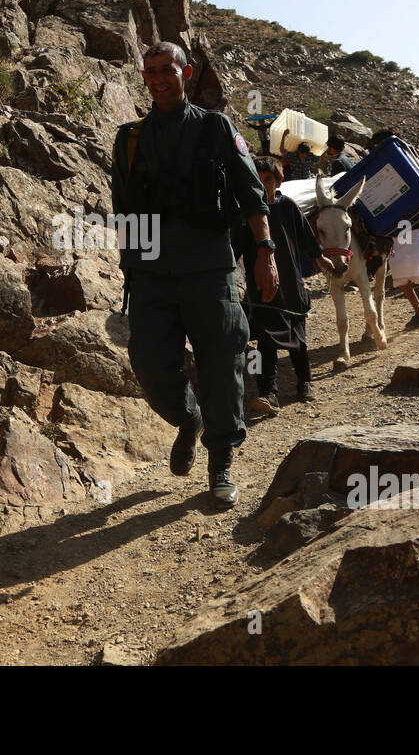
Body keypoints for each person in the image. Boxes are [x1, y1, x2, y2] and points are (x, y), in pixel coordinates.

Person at [112, 41, 276, 507]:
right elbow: (124, 211)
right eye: (150, 71)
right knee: (147, 361)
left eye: (168, 69)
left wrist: (264, 251)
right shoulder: (129, 139)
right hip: (153, 275)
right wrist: (133, 269)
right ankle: (189, 418)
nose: (159, 78)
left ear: (186, 73)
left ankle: (220, 460)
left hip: (209, 269)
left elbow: (250, 195)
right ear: (143, 78)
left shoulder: (217, 129)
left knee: (222, 363)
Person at [235, 157, 324, 411]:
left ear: (279, 181)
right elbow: (235, 247)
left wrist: (321, 258)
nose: (263, 186)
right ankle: (268, 392)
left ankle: (305, 382)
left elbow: (307, 237)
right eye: (258, 180)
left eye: (269, 180)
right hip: (261, 287)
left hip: (291, 286)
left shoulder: (288, 207)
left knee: (298, 338)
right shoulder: (246, 215)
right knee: (264, 341)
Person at [368, 128, 419, 324]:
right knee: (400, 268)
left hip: (418, 224)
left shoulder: (410, 161)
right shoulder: (386, 165)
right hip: (402, 226)